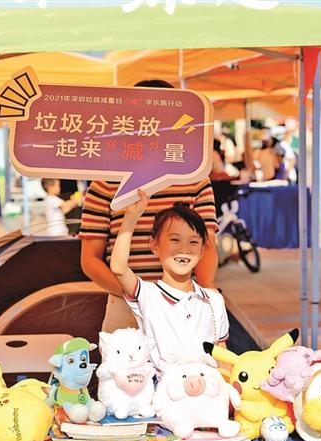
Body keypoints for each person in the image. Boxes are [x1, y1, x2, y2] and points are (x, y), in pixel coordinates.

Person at [79, 79, 219, 333]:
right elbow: (90, 259)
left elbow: (206, 245)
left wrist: (206, 292)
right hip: (126, 307)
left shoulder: (195, 179)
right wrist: (136, 295)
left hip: (184, 305)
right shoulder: (105, 182)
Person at [110, 190, 228, 370]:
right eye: (175, 240)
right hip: (164, 386)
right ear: (154, 245)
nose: (184, 249)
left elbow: (223, 356)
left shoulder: (214, 300)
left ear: (202, 250)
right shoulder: (147, 295)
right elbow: (118, 268)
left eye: (193, 242)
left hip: (209, 386)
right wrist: (131, 218)